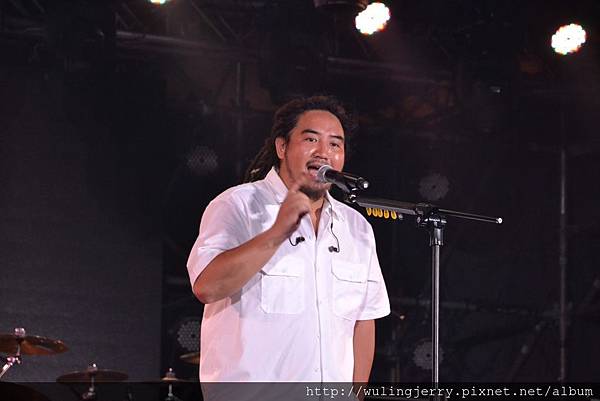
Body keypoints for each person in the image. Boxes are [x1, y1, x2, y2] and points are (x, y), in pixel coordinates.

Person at [186, 95, 390, 388]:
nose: (324, 152)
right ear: (281, 147)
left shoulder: (357, 227)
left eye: (335, 144)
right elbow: (207, 287)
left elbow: (364, 320)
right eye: (311, 139)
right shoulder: (238, 205)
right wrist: (276, 233)